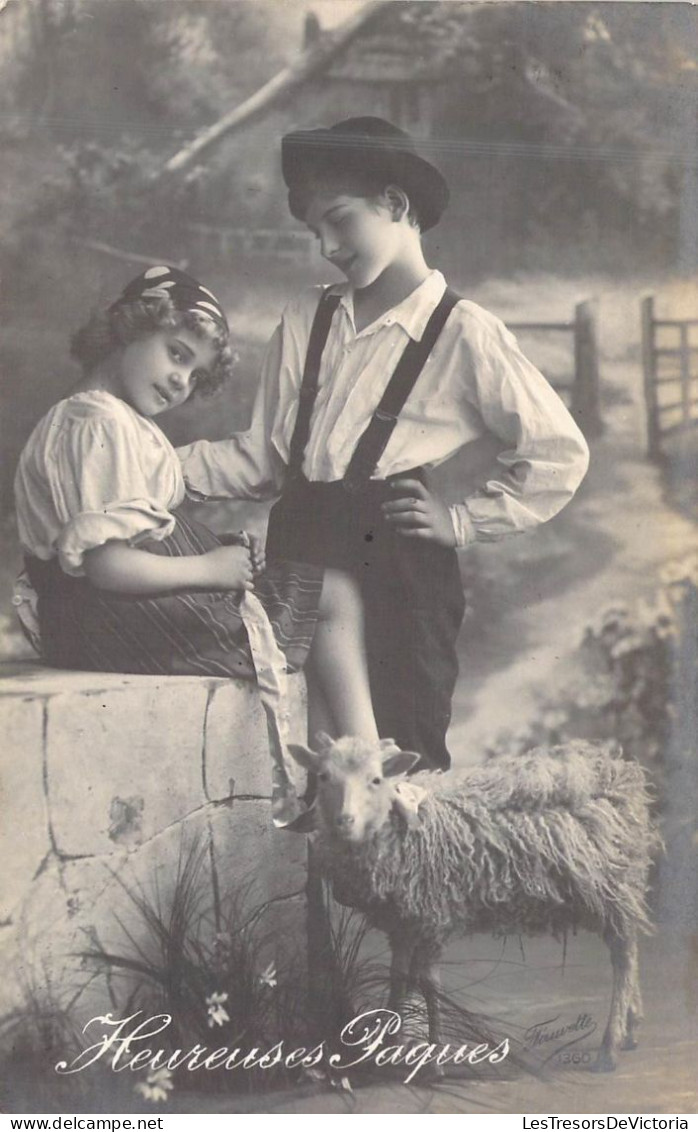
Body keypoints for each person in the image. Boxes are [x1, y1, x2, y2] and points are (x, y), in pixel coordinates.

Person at [178, 118, 591, 770]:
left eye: (339, 221)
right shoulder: (306, 319)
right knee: (310, 751)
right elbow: (264, 459)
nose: (326, 246)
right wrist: (149, 466)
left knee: (402, 749)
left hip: (399, 561)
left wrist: (459, 520)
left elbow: (559, 453)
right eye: (313, 232)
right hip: (303, 538)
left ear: (396, 205)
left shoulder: (464, 332)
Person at [13, 265, 379, 749]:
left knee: (315, 597)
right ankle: (367, 763)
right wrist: (211, 568)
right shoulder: (99, 423)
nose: (180, 380)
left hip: (98, 617)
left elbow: (136, 534)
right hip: (115, 615)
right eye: (177, 354)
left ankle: (338, 775)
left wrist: (220, 556)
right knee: (332, 596)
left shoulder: (104, 417)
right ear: (130, 329)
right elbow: (109, 566)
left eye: (194, 374)